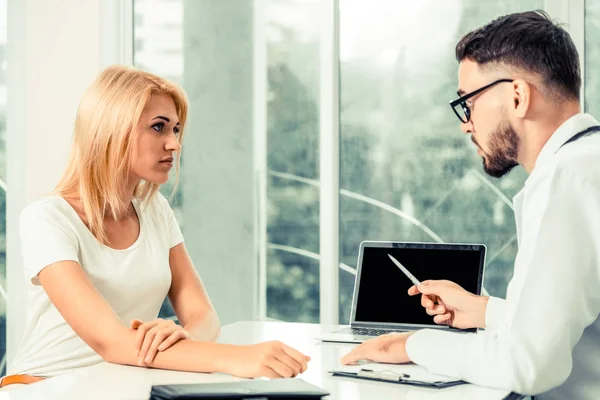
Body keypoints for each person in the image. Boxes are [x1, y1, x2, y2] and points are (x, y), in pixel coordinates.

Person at [341, 10, 600, 399]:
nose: (465, 124)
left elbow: (527, 366)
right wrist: (485, 311)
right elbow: (569, 317)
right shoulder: (586, 161)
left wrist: (411, 346)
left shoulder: (568, 178)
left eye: (468, 102)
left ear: (517, 95)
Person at [1, 65, 309, 389]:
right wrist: (236, 358)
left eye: (175, 130)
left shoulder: (155, 211)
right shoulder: (46, 219)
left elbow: (203, 315)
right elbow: (112, 343)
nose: (174, 144)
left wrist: (184, 336)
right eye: (158, 127)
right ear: (112, 130)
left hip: (123, 383)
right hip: (44, 386)